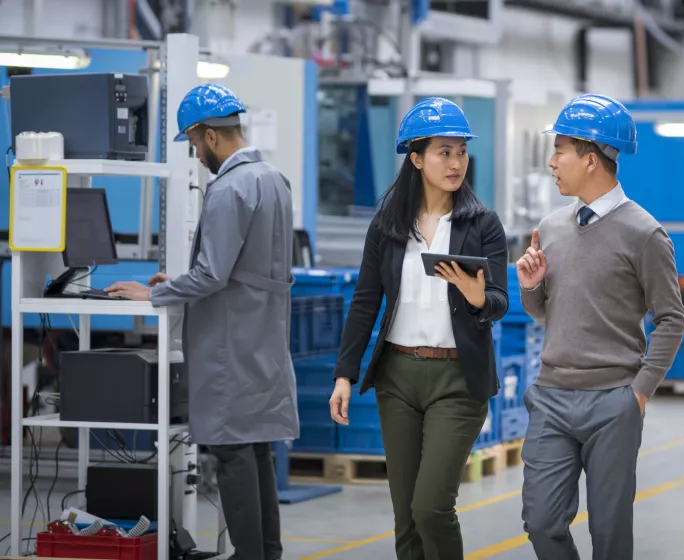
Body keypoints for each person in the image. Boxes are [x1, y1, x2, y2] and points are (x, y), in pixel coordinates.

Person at [107, 83, 297, 560]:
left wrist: (156, 292)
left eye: (193, 143)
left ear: (210, 136)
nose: (196, 154)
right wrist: (182, 279)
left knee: (233, 455)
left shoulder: (230, 187)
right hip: (263, 337)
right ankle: (266, 554)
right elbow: (242, 266)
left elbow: (213, 274)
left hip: (230, 343)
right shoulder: (274, 178)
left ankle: (250, 556)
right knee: (255, 452)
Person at [329, 97, 508, 560]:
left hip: (457, 381)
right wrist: (344, 374)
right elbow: (365, 302)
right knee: (405, 515)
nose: (456, 163)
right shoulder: (388, 226)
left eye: (461, 152)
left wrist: (475, 297)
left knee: (431, 507)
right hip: (398, 378)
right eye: (443, 152)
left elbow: (499, 301)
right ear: (416, 158)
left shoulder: (483, 224)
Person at [516, 93, 684, 560]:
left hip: (613, 400)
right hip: (551, 396)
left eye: (559, 152)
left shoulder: (644, 233)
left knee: (610, 533)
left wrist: (639, 393)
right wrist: (532, 286)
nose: (552, 163)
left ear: (590, 160)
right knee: (541, 521)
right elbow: (546, 312)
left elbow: (672, 318)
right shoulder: (551, 227)